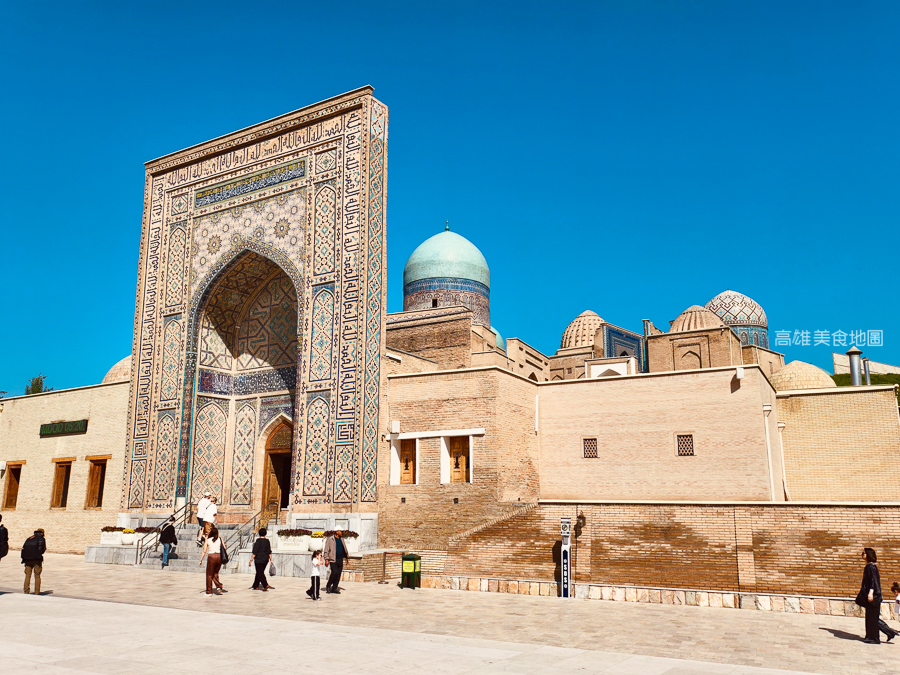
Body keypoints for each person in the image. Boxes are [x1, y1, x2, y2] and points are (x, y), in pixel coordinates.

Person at [857, 548, 898, 644]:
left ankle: (873, 638)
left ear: (868, 554)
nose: (862, 554)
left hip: (873, 596)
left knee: (872, 618)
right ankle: (890, 632)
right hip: (872, 596)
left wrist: (871, 593)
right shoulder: (869, 566)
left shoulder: (871, 567)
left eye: (863, 553)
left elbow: (873, 581)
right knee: (872, 617)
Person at [199, 525, 226, 596]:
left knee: (209, 574)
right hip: (219, 556)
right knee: (216, 573)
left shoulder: (208, 540)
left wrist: (201, 560)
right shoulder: (220, 539)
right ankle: (218, 587)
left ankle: (209, 591)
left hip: (211, 556)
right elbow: (224, 548)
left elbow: (204, 551)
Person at [21, 528, 46, 595]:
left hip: (27, 560)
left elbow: (23, 548)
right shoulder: (41, 539)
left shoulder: (29, 539)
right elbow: (43, 550)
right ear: (42, 533)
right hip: (37, 560)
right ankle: (36, 592)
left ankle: (26, 590)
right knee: (37, 576)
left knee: (27, 575)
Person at [323, 530, 349, 594]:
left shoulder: (341, 539)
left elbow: (344, 548)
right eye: (340, 531)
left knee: (338, 574)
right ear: (337, 532)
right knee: (334, 573)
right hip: (333, 559)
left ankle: (334, 588)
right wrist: (326, 559)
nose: (341, 532)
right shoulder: (330, 539)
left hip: (340, 559)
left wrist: (346, 558)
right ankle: (328, 585)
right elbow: (326, 549)